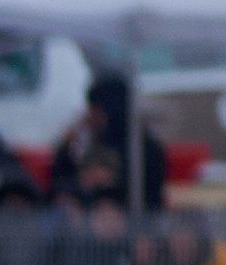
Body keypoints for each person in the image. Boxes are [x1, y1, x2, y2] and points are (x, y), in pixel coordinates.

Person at [48, 73, 167, 214]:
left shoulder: (143, 150)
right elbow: (60, 184)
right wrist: (66, 148)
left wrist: (109, 182)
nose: (90, 116)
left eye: (95, 109)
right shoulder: (85, 143)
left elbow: (149, 199)